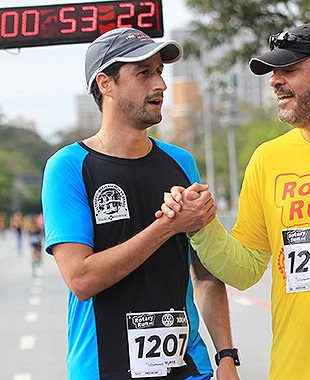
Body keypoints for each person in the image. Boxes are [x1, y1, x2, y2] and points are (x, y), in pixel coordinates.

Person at [159, 22, 310, 379]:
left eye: (290, 70)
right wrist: (200, 225)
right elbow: (245, 269)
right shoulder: (268, 159)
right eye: (272, 72)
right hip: (294, 369)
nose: (274, 81)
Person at [41, 27, 240, 380]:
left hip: (189, 368)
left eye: (160, 71)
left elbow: (206, 274)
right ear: (105, 84)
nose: (160, 84)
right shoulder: (69, 166)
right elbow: (81, 279)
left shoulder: (181, 163)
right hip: (104, 369)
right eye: (143, 73)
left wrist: (225, 356)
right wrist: (168, 226)